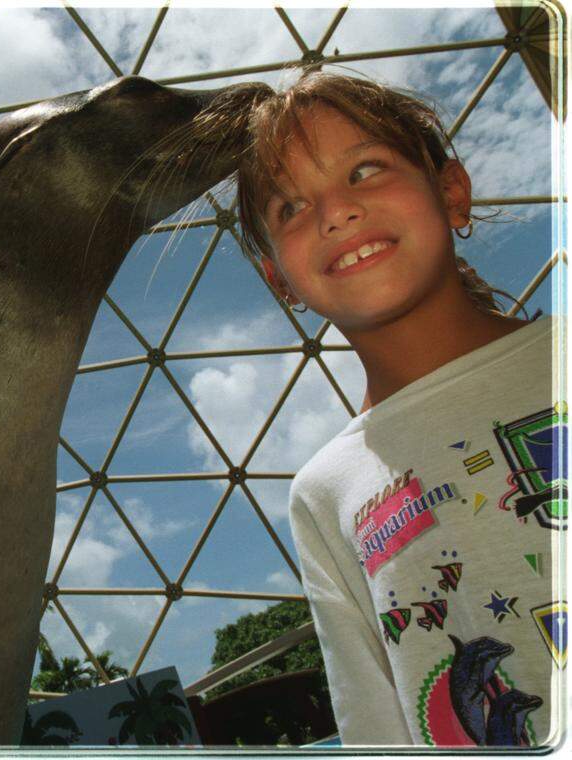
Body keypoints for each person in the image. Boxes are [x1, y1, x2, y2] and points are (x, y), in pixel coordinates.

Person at [234, 71, 561, 747]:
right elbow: (373, 721)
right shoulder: (324, 493)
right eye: (291, 207)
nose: (335, 212)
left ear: (452, 192)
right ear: (278, 280)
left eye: (366, 170)